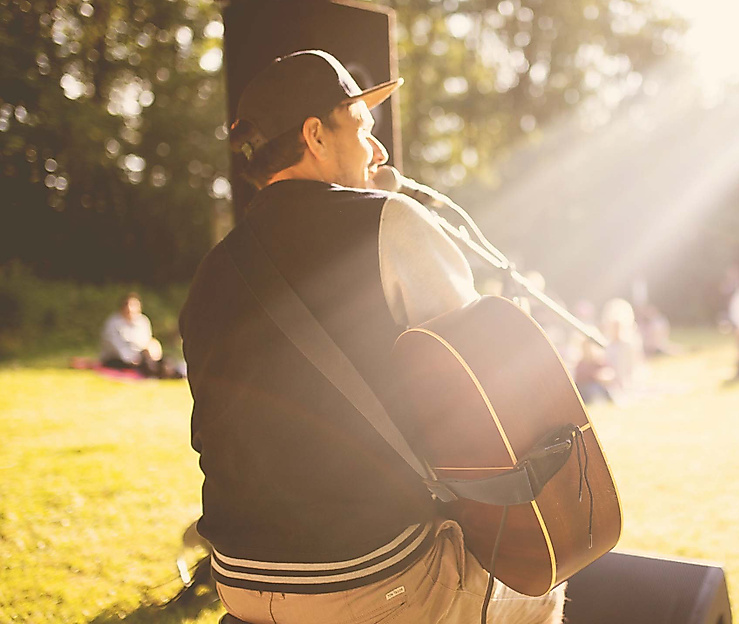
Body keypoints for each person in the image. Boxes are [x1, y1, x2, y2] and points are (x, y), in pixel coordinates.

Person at [179, 51, 563, 624]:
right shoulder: (391, 221)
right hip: (366, 580)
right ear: (315, 134)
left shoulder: (210, 273)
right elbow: (482, 401)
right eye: (362, 129)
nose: (379, 152)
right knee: (543, 585)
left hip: (238, 576)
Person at [100, 292, 168, 377]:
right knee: (148, 367)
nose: (130, 309)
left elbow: (146, 341)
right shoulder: (113, 323)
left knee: (166, 363)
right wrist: (132, 359)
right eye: (128, 306)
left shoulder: (143, 321)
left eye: (134, 306)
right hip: (118, 358)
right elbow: (116, 346)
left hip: (140, 356)